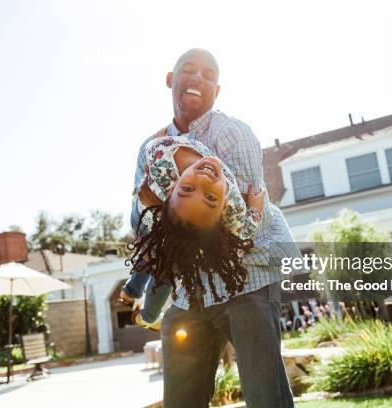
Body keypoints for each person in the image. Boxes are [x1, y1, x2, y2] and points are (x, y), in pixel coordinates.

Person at [128, 48, 302, 408]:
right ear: (170, 80)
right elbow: (143, 221)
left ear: (217, 90)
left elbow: (237, 229)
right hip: (189, 291)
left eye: (208, 75)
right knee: (181, 401)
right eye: (188, 71)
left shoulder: (232, 135)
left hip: (246, 281)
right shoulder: (153, 149)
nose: (197, 79)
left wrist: (164, 206)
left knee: (266, 399)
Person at [121, 134, 265, 329]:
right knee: (158, 261)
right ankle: (143, 307)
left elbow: (143, 192)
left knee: (160, 261)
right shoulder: (234, 207)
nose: (204, 181)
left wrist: (160, 202)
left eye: (188, 189)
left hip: (158, 215)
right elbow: (244, 235)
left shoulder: (161, 157)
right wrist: (255, 209)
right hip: (153, 219)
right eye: (210, 197)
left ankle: (139, 305)